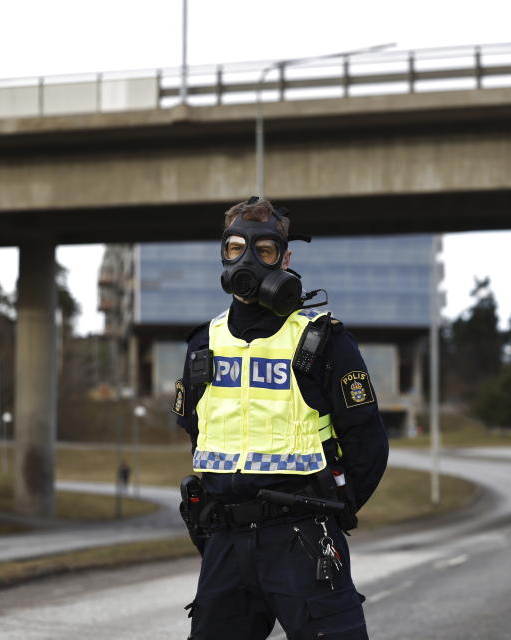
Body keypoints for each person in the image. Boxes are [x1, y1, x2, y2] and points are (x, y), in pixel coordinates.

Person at [173, 197, 389, 640]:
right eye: (236, 248)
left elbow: (368, 445)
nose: (247, 259)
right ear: (223, 252)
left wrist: (331, 512)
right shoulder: (202, 345)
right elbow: (198, 436)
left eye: (264, 250)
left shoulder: (323, 341)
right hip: (225, 542)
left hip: (302, 538)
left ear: (284, 258)